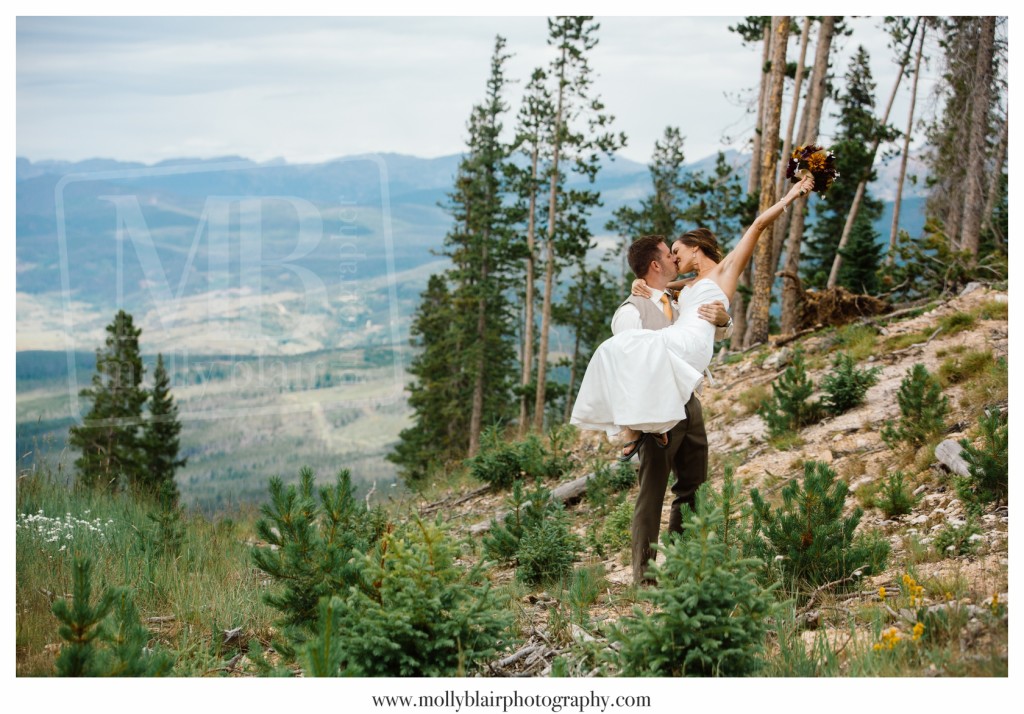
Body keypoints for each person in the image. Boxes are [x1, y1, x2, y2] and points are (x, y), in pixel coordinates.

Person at [570, 173, 813, 439]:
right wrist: (638, 283)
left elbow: (757, 226)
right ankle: (643, 426)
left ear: (695, 248)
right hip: (679, 337)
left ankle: (633, 428)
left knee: (624, 348)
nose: (674, 258)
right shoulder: (688, 284)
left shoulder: (725, 271)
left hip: (693, 342)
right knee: (618, 348)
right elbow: (659, 286)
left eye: (677, 251)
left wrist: (790, 196)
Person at [605, 234, 732, 585]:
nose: (676, 258)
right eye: (668, 254)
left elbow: (711, 335)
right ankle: (645, 579)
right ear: (656, 265)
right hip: (656, 413)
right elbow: (627, 370)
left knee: (693, 486)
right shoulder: (631, 312)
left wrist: (723, 320)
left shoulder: (677, 299)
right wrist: (641, 423)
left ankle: (680, 568)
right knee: (652, 495)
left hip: (688, 405)